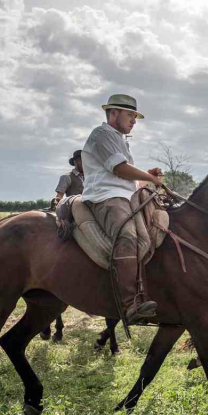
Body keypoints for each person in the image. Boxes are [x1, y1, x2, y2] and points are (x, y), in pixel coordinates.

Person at [82, 94, 163, 324]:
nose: (134, 120)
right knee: (127, 236)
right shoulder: (102, 134)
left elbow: (128, 178)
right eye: (130, 115)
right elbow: (119, 169)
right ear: (113, 113)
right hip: (106, 197)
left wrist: (146, 178)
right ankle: (130, 305)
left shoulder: (120, 140)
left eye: (135, 116)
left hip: (126, 197)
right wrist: (150, 177)